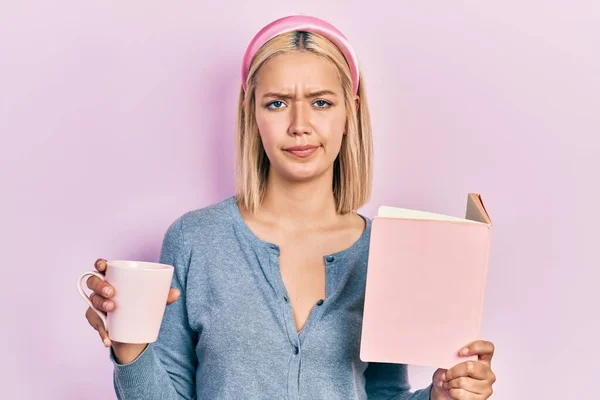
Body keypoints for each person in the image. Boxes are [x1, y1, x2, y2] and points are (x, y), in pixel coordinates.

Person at [84, 15, 496, 400]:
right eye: (277, 103)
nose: (300, 124)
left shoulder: (384, 249)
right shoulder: (195, 239)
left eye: (321, 102)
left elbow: (383, 393)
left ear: (350, 111)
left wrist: (438, 396)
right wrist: (130, 348)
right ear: (252, 112)